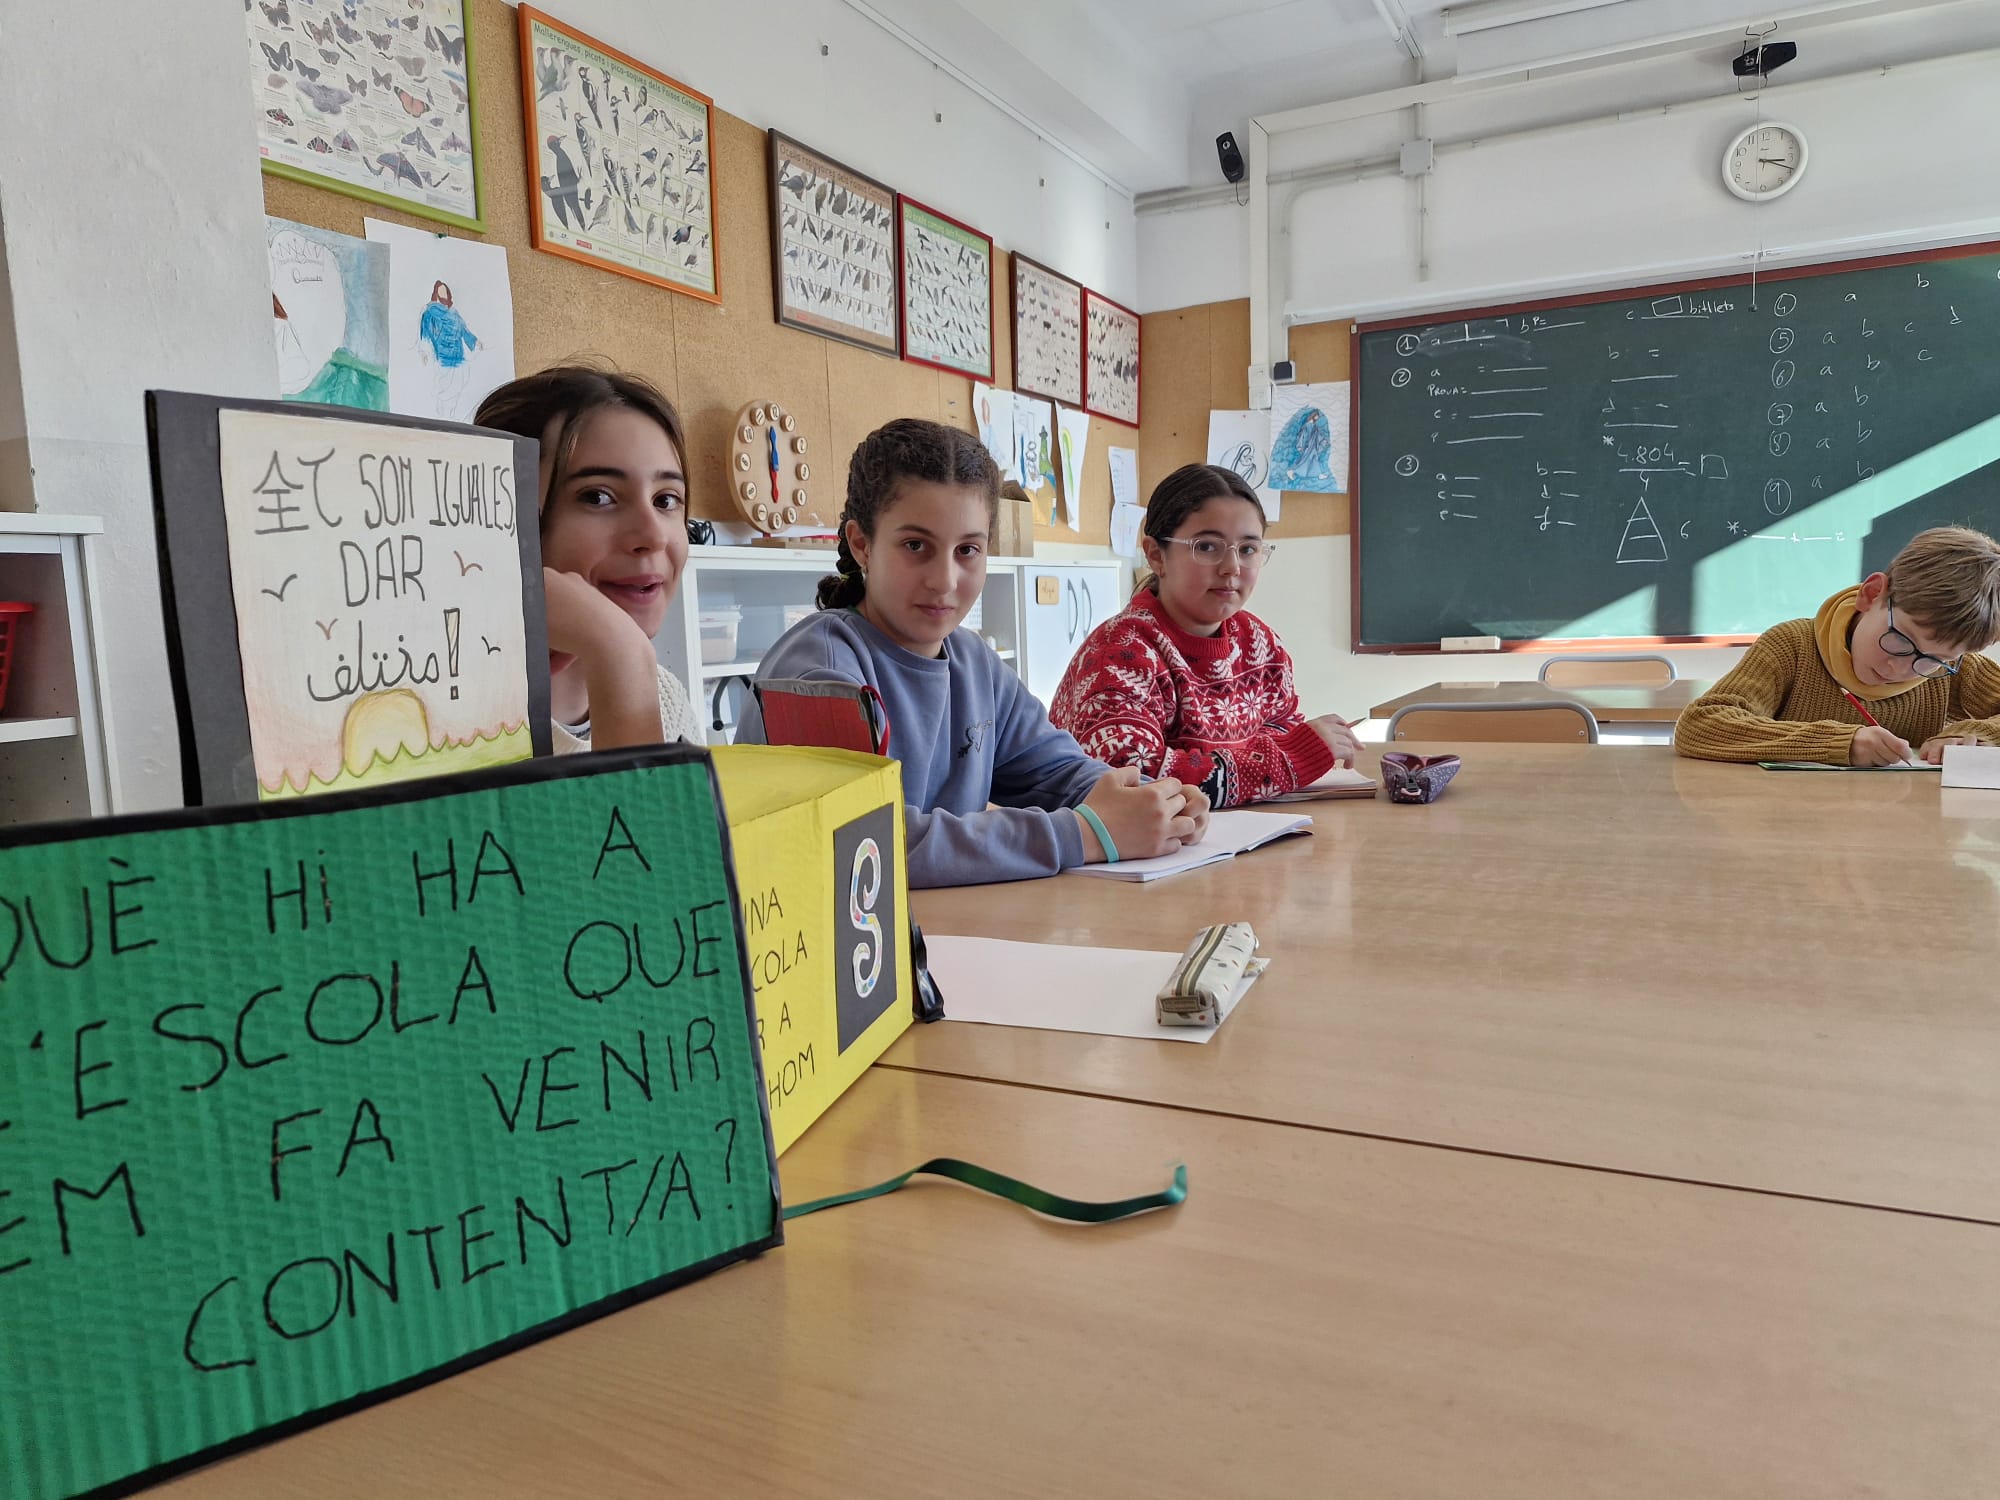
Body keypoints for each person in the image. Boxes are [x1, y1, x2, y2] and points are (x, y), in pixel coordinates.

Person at [735, 417, 1207, 886]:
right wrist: (1083, 835)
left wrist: (1155, 802)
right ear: (862, 544)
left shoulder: (973, 662)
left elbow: (1055, 770)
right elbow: (866, 847)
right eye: (915, 545)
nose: (944, 580)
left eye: (967, 550)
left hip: (945, 922)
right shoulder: (818, 671)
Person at [1051, 463, 1359, 807]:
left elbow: (1280, 728)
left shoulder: (1260, 642)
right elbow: (1133, 780)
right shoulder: (1120, 651)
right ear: (1156, 555)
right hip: (1129, 840)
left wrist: (1298, 748)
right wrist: (1291, 759)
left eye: (1248, 549)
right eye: (1208, 547)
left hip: (1238, 831)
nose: (1232, 567)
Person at [473, 365, 693, 751]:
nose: (654, 536)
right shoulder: (447, 720)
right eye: (597, 496)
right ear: (502, 515)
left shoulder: (665, 697)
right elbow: (634, 797)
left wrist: (621, 658)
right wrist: (620, 654)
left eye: (665, 500)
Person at [1675, 525, 2000, 765]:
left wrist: (1975, 734)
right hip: (1791, 826)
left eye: (1932, 660)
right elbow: (1700, 725)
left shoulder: (1950, 670)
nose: (1899, 668)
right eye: (1901, 640)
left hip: (1901, 829)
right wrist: (1838, 743)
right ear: (1872, 595)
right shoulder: (1791, 648)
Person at [419, 280, 479, 416]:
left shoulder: (454, 314)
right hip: (442, 359)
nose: (443, 295)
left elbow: (464, 331)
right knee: (443, 389)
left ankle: (450, 414)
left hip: (458, 358)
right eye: (440, 292)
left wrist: (475, 342)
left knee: (456, 388)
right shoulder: (429, 313)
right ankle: (442, 415)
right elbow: (425, 334)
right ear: (436, 294)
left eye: (445, 292)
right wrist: (424, 352)